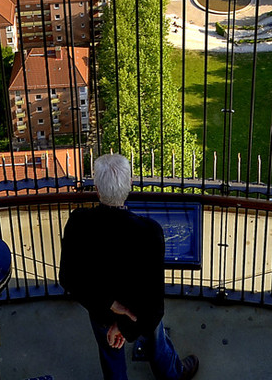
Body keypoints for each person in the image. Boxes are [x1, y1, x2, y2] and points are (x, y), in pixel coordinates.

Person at [59, 153, 199, 380]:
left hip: (100, 312)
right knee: (156, 339)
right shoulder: (148, 232)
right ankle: (173, 374)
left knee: (110, 356)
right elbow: (153, 308)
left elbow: (68, 278)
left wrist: (109, 305)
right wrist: (125, 326)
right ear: (129, 186)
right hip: (138, 315)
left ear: (97, 189)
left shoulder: (79, 222)